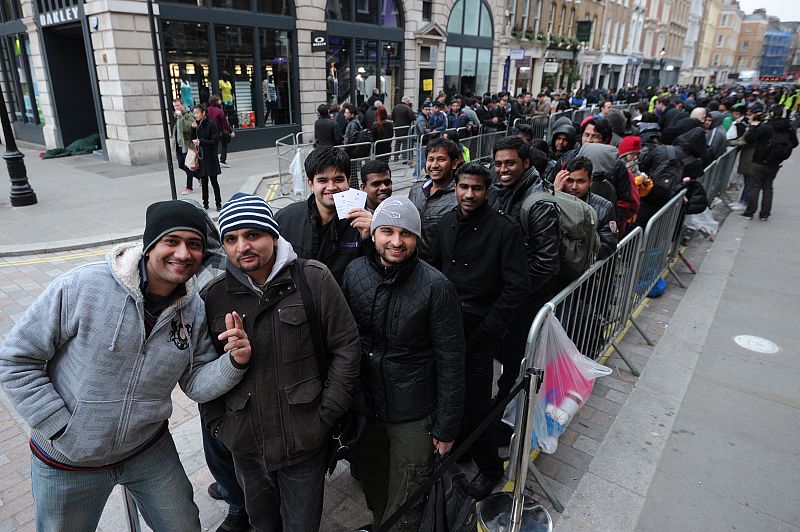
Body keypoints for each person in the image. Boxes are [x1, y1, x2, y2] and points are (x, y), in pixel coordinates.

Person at [0, 200, 252, 531]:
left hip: (148, 449)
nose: (183, 253)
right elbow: (17, 359)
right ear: (150, 245)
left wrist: (234, 362)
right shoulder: (83, 285)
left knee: (184, 525)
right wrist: (59, 426)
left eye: (194, 244)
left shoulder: (194, 310)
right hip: (68, 458)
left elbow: (195, 383)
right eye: (171, 241)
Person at [201, 193, 361, 532]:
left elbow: (346, 347)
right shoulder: (212, 297)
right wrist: (220, 426)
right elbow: (201, 371)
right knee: (263, 525)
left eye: (252, 235)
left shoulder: (313, 279)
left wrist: (325, 414)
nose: (242, 246)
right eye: (231, 239)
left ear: (273, 236)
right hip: (246, 447)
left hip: (303, 442)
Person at [342, 197, 465, 530]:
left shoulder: (436, 287)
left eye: (406, 234)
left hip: (412, 412)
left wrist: (446, 427)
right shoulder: (354, 272)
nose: (396, 242)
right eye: (387, 231)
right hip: (366, 407)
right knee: (374, 480)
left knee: (409, 492)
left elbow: (452, 360)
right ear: (374, 232)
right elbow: (345, 341)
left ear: (417, 238)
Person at [429, 162, 529, 500]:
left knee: (475, 404)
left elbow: (517, 287)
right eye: (464, 187)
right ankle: (460, 448)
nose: (469, 194)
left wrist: (489, 329)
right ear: (455, 187)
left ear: (487, 191)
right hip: (444, 326)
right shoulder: (444, 223)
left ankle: (489, 469)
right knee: (445, 395)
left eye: (477, 188)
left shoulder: (504, 230)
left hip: (479, 331)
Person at [488, 136, 560, 400]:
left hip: (525, 299)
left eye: (510, 163)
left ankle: (509, 413)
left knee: (516, 358)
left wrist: (514, 291)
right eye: (498, 164)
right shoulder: (503, 189)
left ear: (526, 162)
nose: (503, 170)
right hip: (510, 293)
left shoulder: (538, 202)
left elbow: (546, 261)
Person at [275, 146, 373, 284]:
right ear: (310, 183)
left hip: (344, 303)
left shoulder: (365, 222)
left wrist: (369, 239)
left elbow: (378, 271)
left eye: (338, 179)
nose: (331, 187)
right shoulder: (285, 219)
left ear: (349, 181)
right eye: (322, 180)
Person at [408, 137, 460, 263]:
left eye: (441, 159)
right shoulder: (416, 190)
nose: (434, 165)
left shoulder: (459, 196)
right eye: (430, 159)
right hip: (412, 264)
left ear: (454, 163)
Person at [554, 156, 618, 260]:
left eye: (580, 181)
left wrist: (580, 256)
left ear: (590, 181)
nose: (574, 186)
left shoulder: (604, 208)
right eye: (569, 180)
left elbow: (608, 245)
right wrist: (554, 195)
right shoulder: (551, 199)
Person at [742, 105, 798, 220]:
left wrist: (753, 127)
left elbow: (749, 139)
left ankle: (750, 212)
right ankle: (765, 214)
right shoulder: (789, 128)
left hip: (760, 160)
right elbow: (795, 143)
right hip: (776, 162)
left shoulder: (767, 127)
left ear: (771, 113)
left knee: (755, 186)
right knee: (768, 187)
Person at [192, 104, 224, 211]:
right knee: (204, 183)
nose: (195, 115)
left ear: (203, 113)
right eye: (194, 113)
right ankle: (205, 204)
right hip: (202, 158)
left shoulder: (212, 125)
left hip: (211, 158)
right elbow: (193, 138)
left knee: (214, 182)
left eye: (197, 113)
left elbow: (214, 142)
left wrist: (201, 142)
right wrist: (193, 129)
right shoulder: (198, 126)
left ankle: (218, 204)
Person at [172, 98, 197, 195]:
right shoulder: (177, 116)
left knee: (188, 166)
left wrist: (181, 117)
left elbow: (188, 128)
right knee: (181, 165)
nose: (176, 108)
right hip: (179, 144)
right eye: (174, 106)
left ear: (182, 105)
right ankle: (199, 177)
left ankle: (189, 187)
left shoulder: (189, 114)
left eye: (178, 105)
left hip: (187, 144)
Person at [208, 94, 234, 168]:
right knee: (224, 145)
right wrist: (230, 131)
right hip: (219, 131)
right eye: (219, 99)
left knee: (213, 147)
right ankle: (222, 160)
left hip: (210, 131)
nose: (220, 100)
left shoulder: (207, 109)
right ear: (216, 101)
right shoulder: (219, 111)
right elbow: (224, 122)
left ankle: (213, 162)